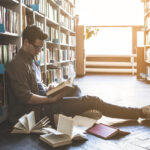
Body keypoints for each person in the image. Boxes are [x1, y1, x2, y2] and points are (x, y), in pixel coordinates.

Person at [6, 25, 150, 126]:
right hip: (36, 112)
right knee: (94, 101)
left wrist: (48, 87)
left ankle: (78, 111)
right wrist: (50, 99)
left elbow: (36, 86)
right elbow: (26, 98)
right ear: (26, 42)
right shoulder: (17, 64)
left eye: (41, 48)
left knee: (73, 88)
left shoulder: (31, 60)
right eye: (37, 47)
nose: (39, 51)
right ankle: (139, 112)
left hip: (44, 101)